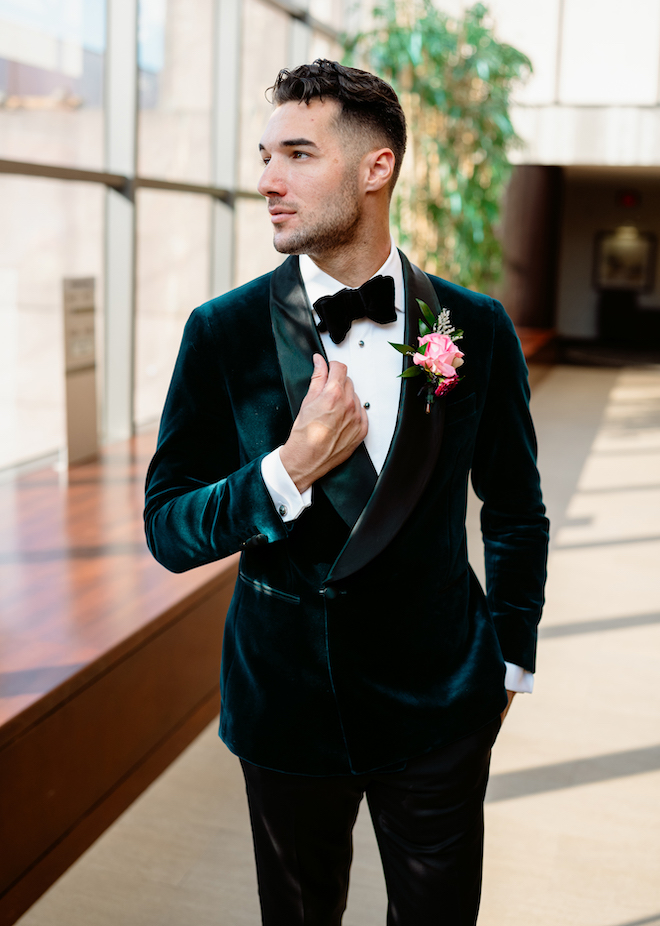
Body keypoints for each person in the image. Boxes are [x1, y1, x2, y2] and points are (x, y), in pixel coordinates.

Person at [144, 59, 548, 926]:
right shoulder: (222, 334)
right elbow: (169, 530)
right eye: (265, 155)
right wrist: (285, 472)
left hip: (441, 704)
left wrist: (508, 658)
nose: (265, 182)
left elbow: (515, 507)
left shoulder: (471, 328)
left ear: (377, 168)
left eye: (297, 154)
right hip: (286, 707)